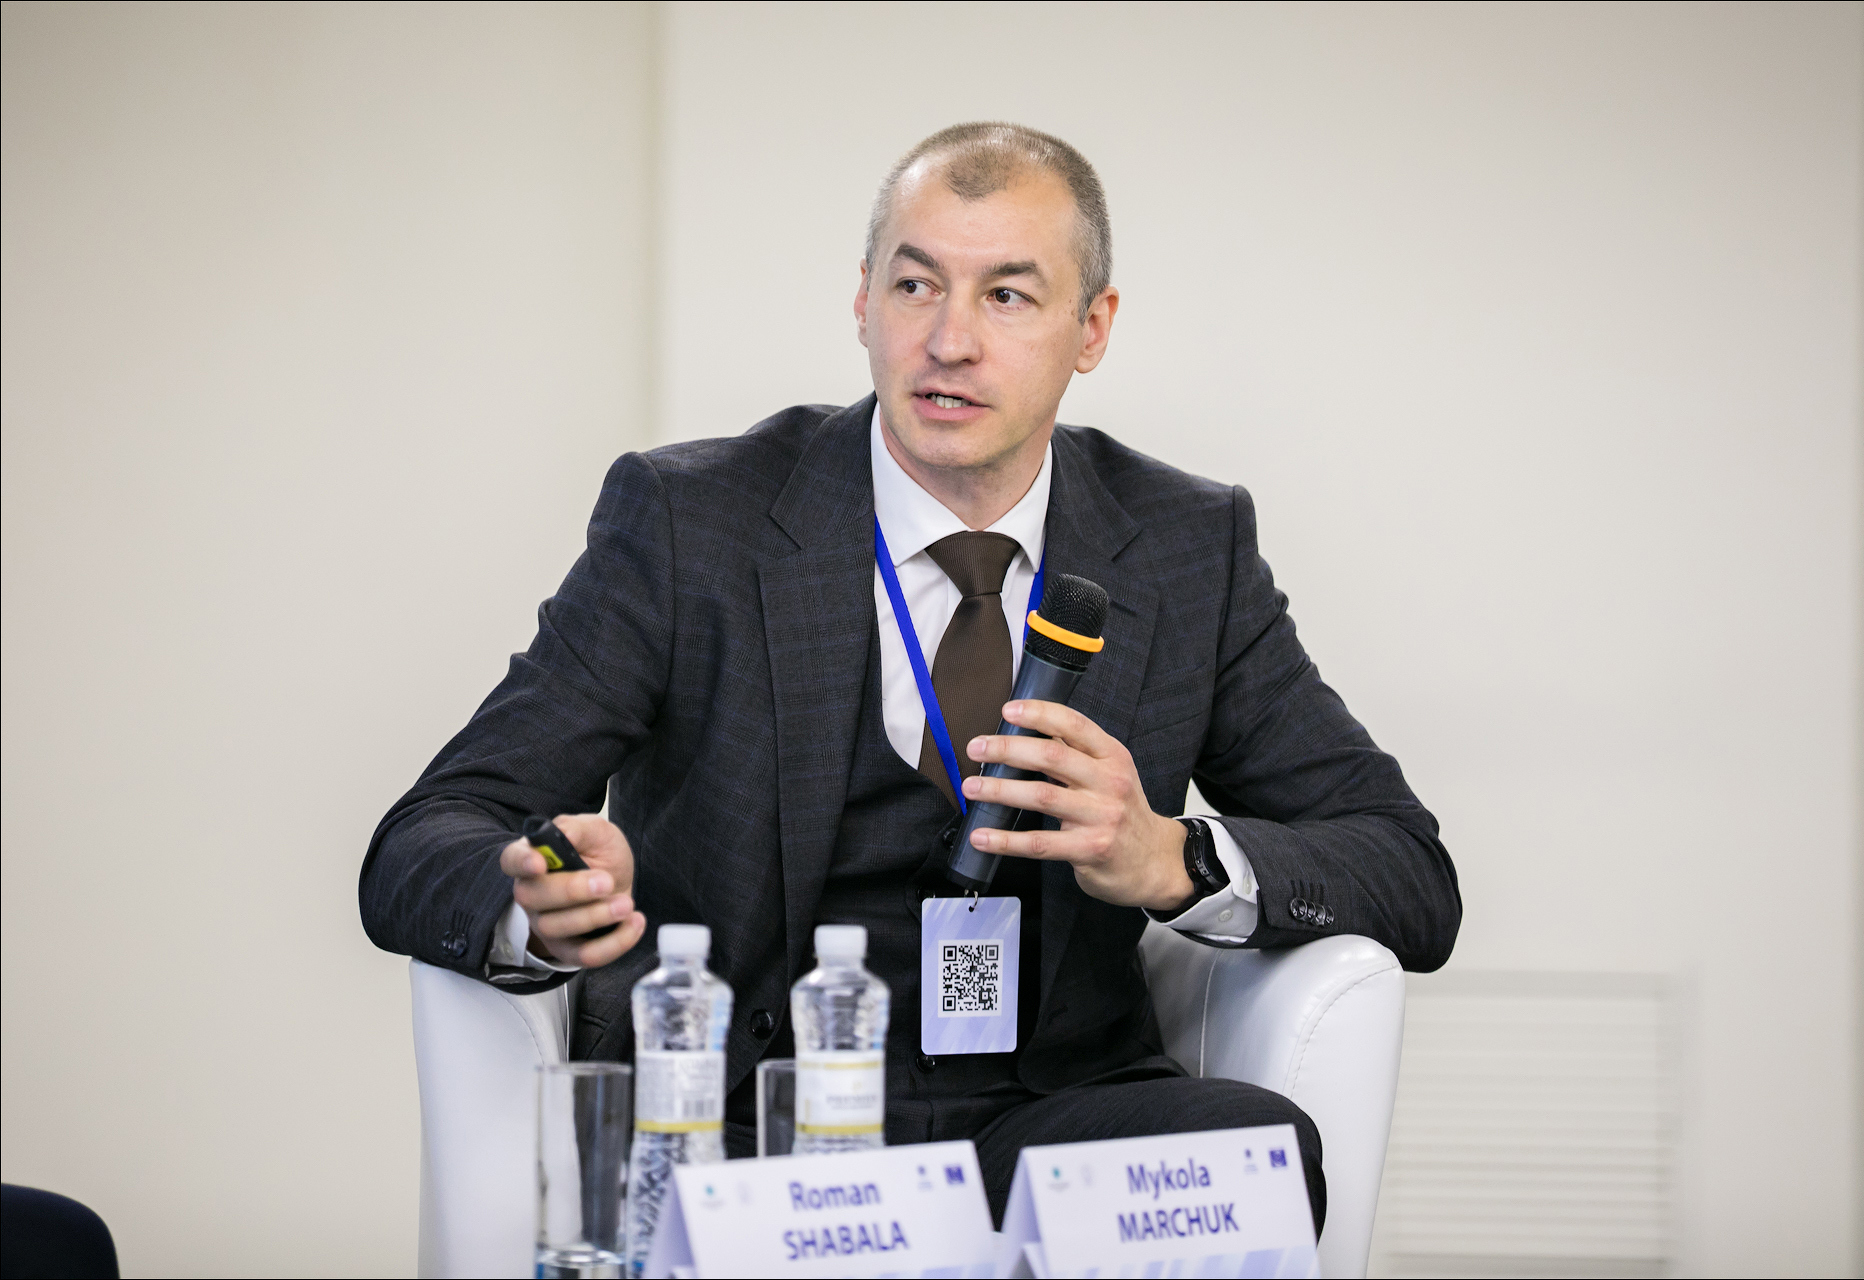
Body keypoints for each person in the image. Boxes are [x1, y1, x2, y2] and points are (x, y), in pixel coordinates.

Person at [361, 122, 1460, 1230]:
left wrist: (1168, 855)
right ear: (863, 301)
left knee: (1250, 1152)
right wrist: (540, 904)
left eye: (1007, 296)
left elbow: (1407, 866)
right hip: (755, 1118)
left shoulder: (1185, 544)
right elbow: (425, 833)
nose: (949, 340)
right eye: (916, 284)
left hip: (1048, 1117)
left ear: (1092, 328)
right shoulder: (695, 522)